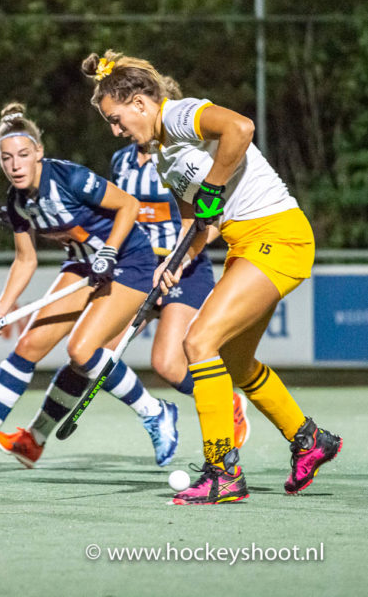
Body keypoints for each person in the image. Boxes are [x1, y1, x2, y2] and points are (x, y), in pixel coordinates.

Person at [83, 49, 341, 504]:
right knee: (235, 361)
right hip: (246, 245)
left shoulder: (180, 115)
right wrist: (173, 262)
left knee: (198, 342)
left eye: (116, 120)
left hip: (278, 236)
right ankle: (309, 440)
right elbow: (198, 223)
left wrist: (213, 186)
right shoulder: (163, 156)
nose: (116, 131)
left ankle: (223, 471)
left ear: (140, 104)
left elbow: (240, 128)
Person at [0, 103, 179, 473]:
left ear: (38, 152)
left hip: (129, 260)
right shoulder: (17, 203)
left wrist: (109, 251)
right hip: (83, 265)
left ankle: (155, 412)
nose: (15, 165)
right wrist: (1, 309)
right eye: (7, 158)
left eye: (23, 155)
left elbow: (129, 205)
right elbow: (25, 260)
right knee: (28, 346)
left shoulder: (70, 179)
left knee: (82, 350)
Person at [0, 137, 250, 468]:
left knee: (167, 364)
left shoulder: (182, 158)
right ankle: (36, 437)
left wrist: (182, 256)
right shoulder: (121, 161)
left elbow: (214, 219)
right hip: (138, 268)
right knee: (91, 355)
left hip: (183, 270)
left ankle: (227, 402)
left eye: (120, 119)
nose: (118, 129)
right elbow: (114, 213)